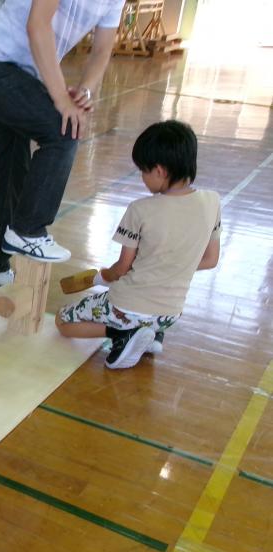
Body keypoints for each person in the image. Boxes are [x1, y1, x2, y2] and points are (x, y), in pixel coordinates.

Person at [0, 0, 124, 289]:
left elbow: (102, 50)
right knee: (64, 131)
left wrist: (85, 90)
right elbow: (37, 26)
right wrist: (61, 97)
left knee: (15, 174)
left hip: (20, 79)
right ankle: (28, 230)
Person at [55, 120, 221, 369]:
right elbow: (210, 260)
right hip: (169, 313)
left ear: (160, 171)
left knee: (63, 322)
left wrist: (102, 277)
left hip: (129, 305)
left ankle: (122, 335)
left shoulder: (140, 210)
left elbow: (121, 269)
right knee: (147, 315)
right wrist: (173, 267)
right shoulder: (213, 202)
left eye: (143, 171)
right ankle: (152, 333)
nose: (142, 177)